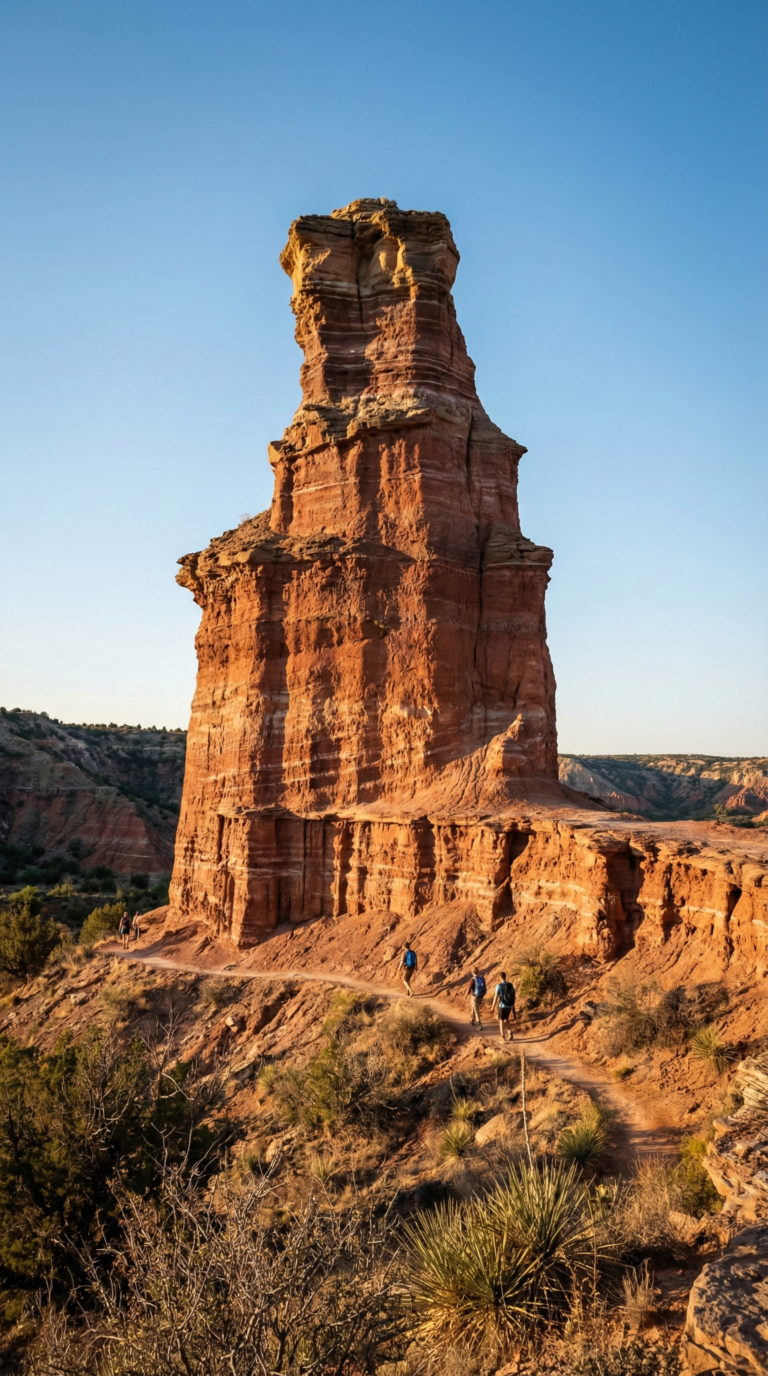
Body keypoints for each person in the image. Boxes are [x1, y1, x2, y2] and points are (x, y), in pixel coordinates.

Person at [490, 970, 516, 1042]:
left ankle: (503, 1037)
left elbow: (496, 997)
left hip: (502, 1006)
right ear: (505, 977)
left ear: (500, 978)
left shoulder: (499, 986)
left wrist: (492, 1007)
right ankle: (510, 1033)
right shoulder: (510, 985)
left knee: (501, 1020)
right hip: (509, 1005)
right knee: (506, 1019)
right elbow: (513, 995)